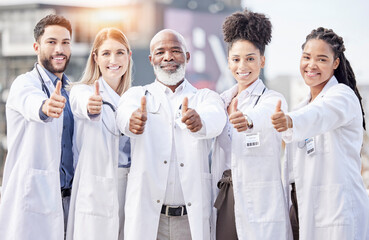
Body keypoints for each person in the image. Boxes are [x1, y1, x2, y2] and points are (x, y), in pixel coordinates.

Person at [116, 29, 226, 240]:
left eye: (175, 51)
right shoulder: (137, 95)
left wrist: (199, 122)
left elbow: (216, 117)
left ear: (187, 56)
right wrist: (132, 121)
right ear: (151, 59)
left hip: (189, 220)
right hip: (149, 219)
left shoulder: (204, 97)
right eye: (160, 52)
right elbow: (123, 115)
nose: (168, 57)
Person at [271, 27, 369, 240]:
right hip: (299, 209)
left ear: (335, 64)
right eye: (306, 57)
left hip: (336, 211)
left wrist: (289, 120)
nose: (311, 65)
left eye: (322, 59)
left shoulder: (342, 96)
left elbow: (319, 115)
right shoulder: (300, 106)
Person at [211, 9, 292, 240]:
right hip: (225, 195)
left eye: (250, 58)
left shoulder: (273, 99)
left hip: (259, 198)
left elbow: (266, 115)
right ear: (228, 62)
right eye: (236, 59)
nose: (242, 66)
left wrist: (247, 120)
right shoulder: (220, 101)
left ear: (262, 61)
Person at [0, 14, 74, 239]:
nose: (59, 49)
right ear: (36, 46)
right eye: (51, 42)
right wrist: (45, 107)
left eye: (65, 42)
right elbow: (32, 103)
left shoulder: (73, 90)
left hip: (70, 201)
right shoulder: (25, 83)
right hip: (35, 202)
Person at [66, 28, 132, 240]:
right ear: (95, 58)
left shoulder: (133, 98)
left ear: (129, 56)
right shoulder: (82, 91)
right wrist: (92, 107)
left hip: (129, 190)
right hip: (95, 192)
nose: (114, 59)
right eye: (106, 53)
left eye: (120, 52)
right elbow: (81, 104)